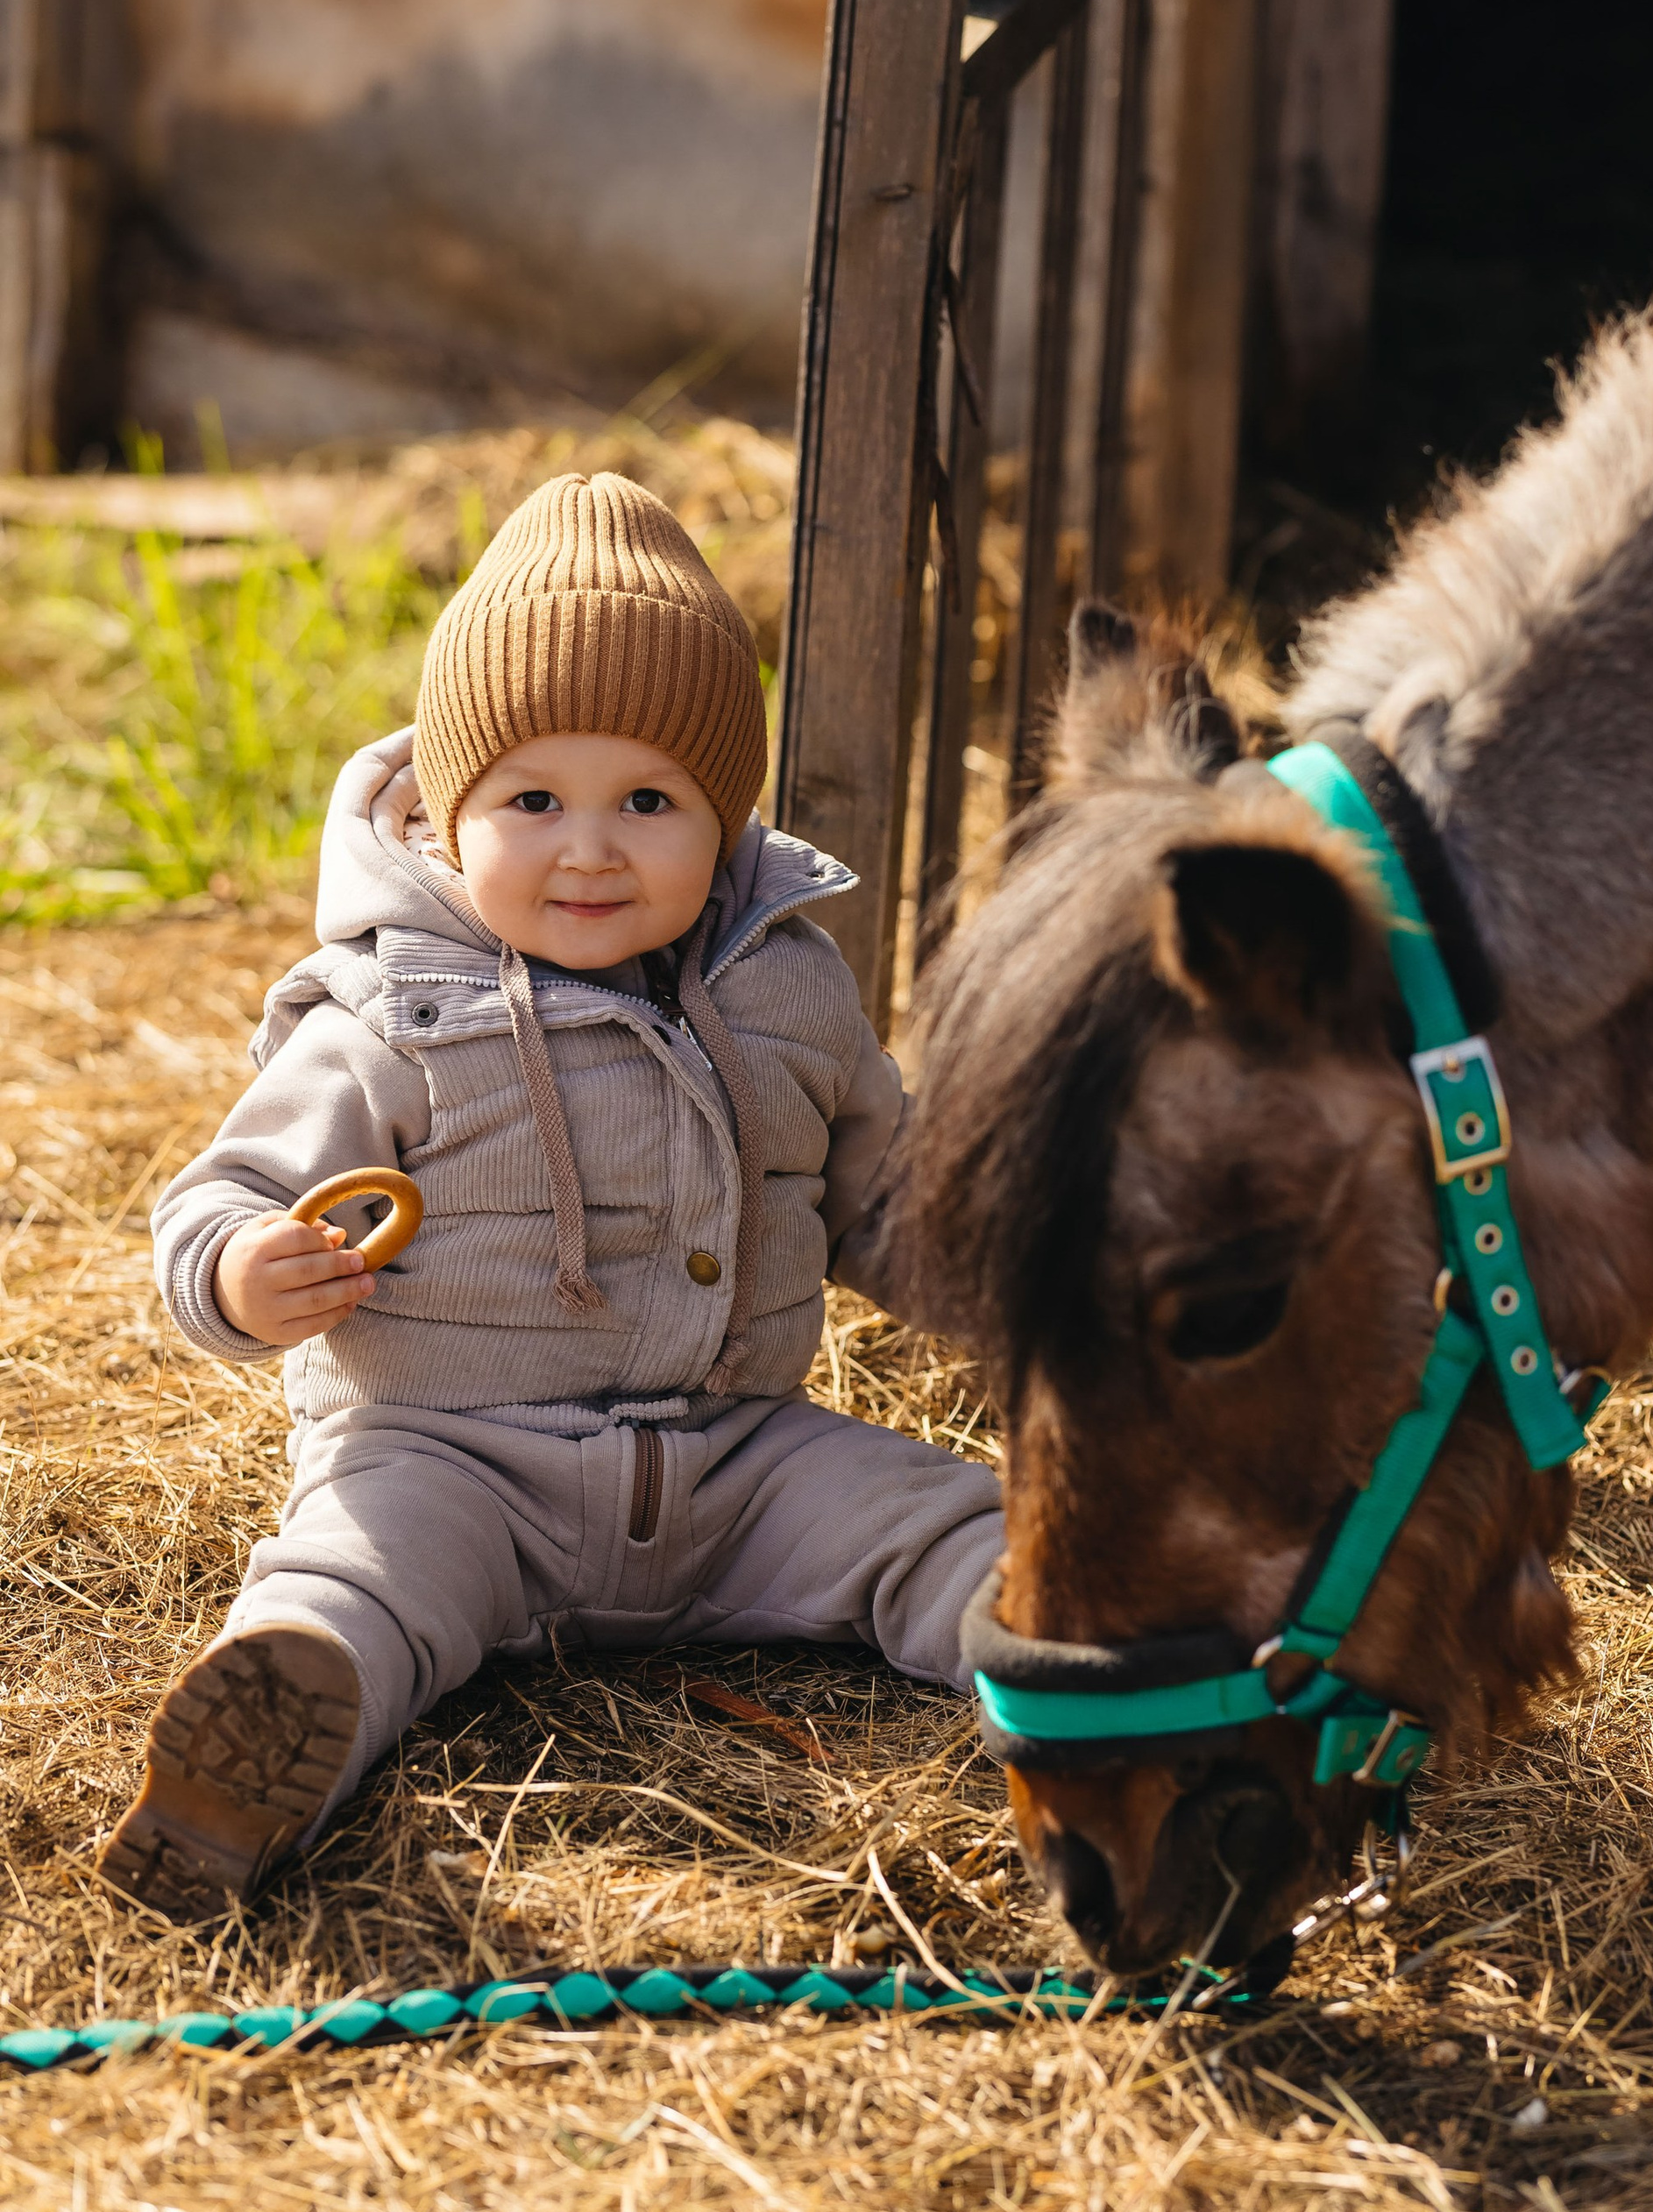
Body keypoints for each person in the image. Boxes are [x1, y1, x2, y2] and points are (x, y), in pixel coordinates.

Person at [103, 471, 1001, 1919]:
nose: (589, 846)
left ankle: (1076, 1664)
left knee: (938, 1521)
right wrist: (240, 1274)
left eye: (649, 800)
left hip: (732, 1461)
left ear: (726, 822)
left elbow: (888, 1195)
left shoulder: (789, 992)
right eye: (533, 800)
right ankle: (269, 1739)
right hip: (454, 1461)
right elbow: (228, 1190)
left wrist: (1007, 1279)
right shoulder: (388, 1012)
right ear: (451, 819)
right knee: (363, 1580)